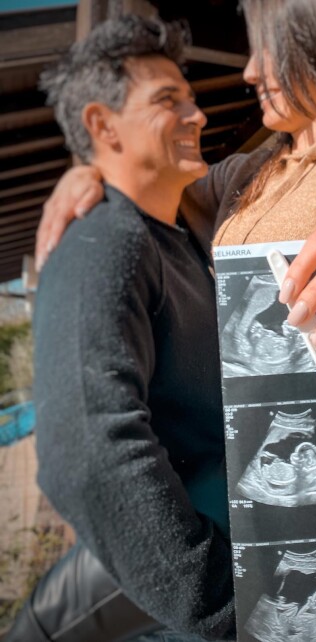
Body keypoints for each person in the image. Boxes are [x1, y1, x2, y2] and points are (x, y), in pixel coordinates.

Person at [15, 1, 316, 641]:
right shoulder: (254, 173)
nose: (248, 73)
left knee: (63, 622)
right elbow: (154, 184)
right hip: (248, 459)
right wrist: (89, 167)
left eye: (266, 51)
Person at [5, 15, 235, 642]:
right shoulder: (107, 243)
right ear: (103, 126)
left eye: (189, 97)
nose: (198, 115)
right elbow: (86, 453)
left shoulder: (183, 235)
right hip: (174, 610)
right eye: (169, 101)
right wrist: (220, 603)